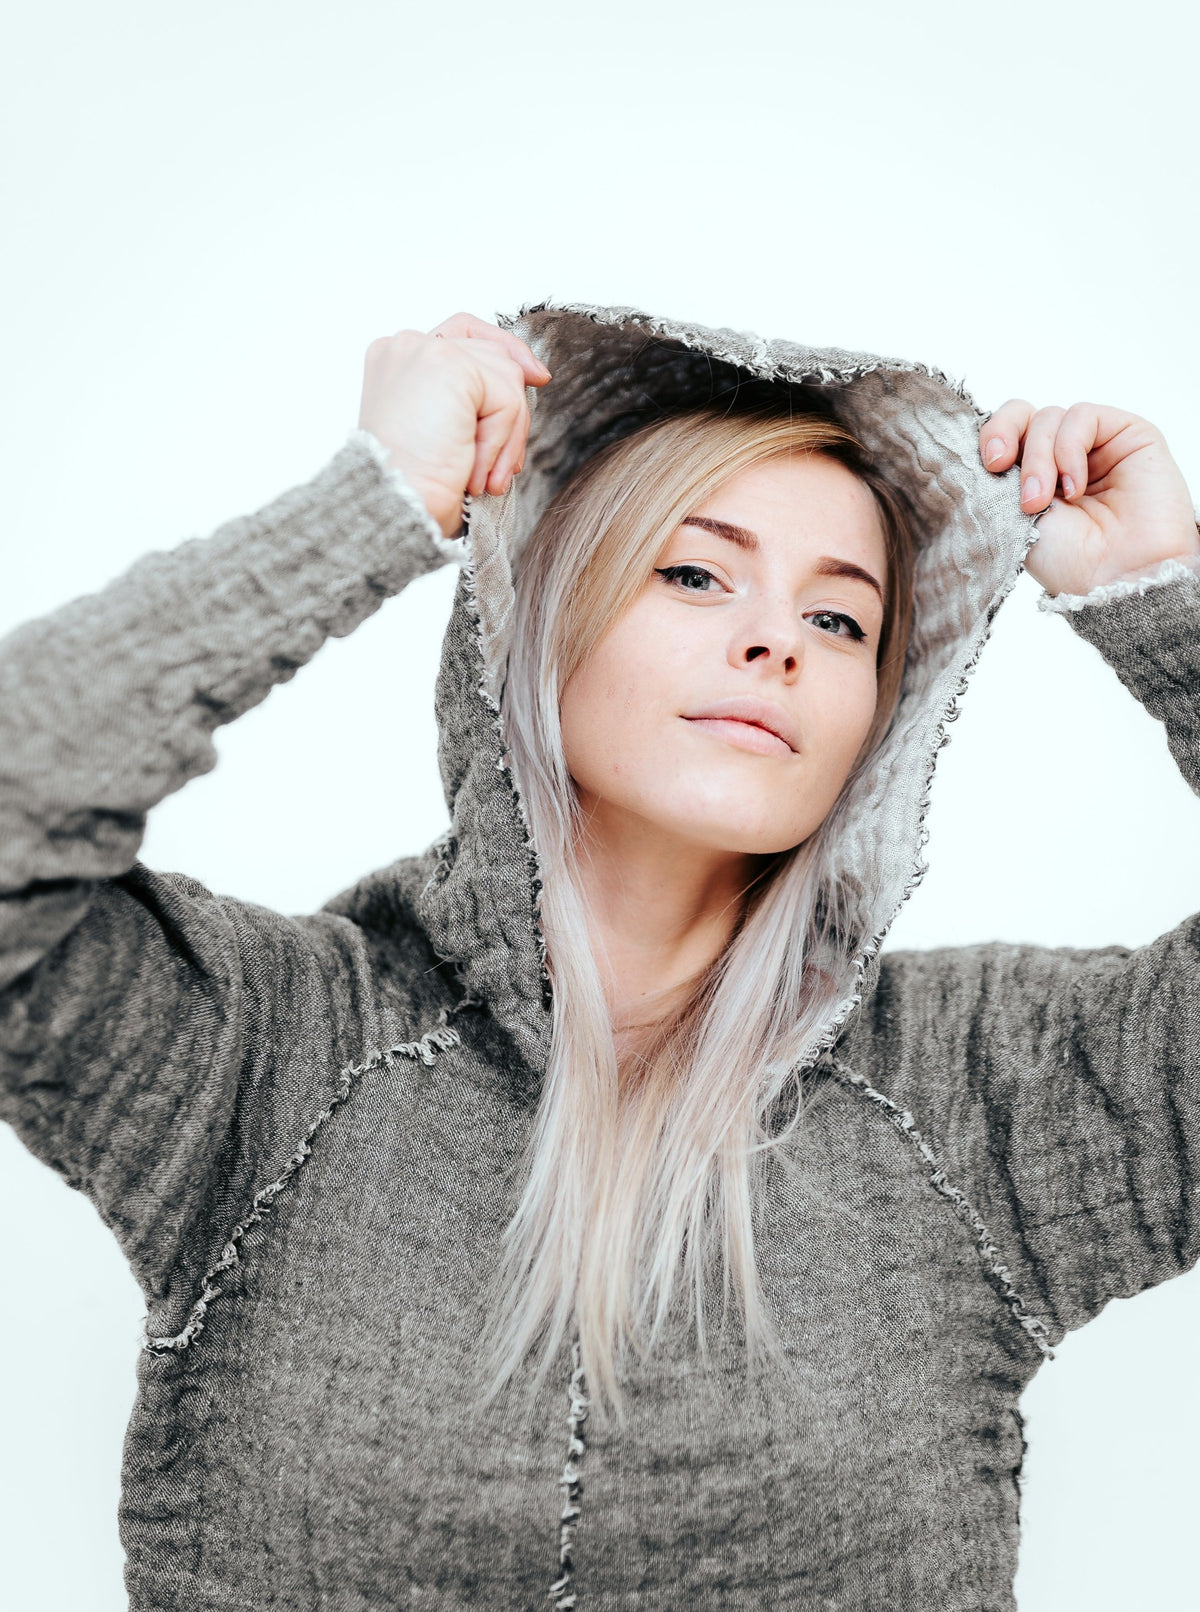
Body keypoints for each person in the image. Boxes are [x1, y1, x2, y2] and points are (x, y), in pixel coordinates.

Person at [2, 298, 1198, 1610]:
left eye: (842, 621)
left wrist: (1168, 603)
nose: (776, 643)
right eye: (693, 573)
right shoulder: (264, 1053)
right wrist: (375, 503)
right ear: (539, 615)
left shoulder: (991, 1101)